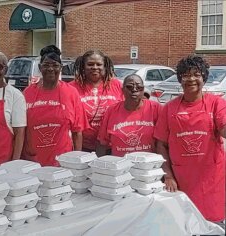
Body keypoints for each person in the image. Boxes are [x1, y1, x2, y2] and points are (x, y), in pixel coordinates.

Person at [154, 55, 225, 224]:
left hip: (212, 178)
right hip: (182, 180)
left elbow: (223, 128)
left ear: (204, 78)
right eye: (186, 75)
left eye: (196, 74)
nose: (191, 79)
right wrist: (168, 176)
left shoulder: (216, 103)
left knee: (213, 223)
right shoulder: (169, 108)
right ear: (180, 79)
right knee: (183, 223)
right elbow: (161, 145)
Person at [22, 45, 87, 166]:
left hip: (62, 161)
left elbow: (77, 132)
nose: (51, 69)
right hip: (33, 161)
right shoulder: (27, 93)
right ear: (40, 68)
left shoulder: (71, 93)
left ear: (61, 68)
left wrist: (76, 162)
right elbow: (21, 130)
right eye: (46, 65)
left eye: (55, 65)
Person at [70, 50, 123, 152]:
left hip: (111, 146)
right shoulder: (72, 87)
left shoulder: (116, 85)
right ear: (83, 67)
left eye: (99, 64)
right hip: (82, 146)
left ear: (105, 66)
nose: (94, 67)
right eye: (90, 64)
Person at [96, 74, 161, 157]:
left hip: (148, 164)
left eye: (139, 87)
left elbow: (164, 142)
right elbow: (102, 142)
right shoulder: (112, 111)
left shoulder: (155, 108)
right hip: (120, 164)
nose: (134, 90)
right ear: (122, 90)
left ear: (143, 90)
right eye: (129, 87)